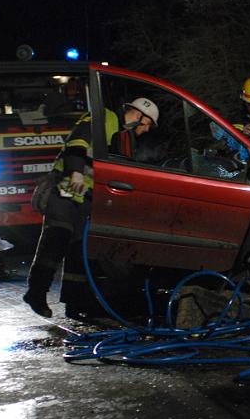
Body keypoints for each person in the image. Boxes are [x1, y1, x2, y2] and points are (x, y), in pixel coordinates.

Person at [23, 98, 159, 319]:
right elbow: (77, 142)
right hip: (67, 185)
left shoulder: (120, 136)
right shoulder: (104, 117)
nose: (144, 131)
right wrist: (75, 171)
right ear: (139, 115)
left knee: (80, 249)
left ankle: (75, 303)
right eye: (145, 125)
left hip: (87, 196)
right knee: (56, 239)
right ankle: (36, 292)